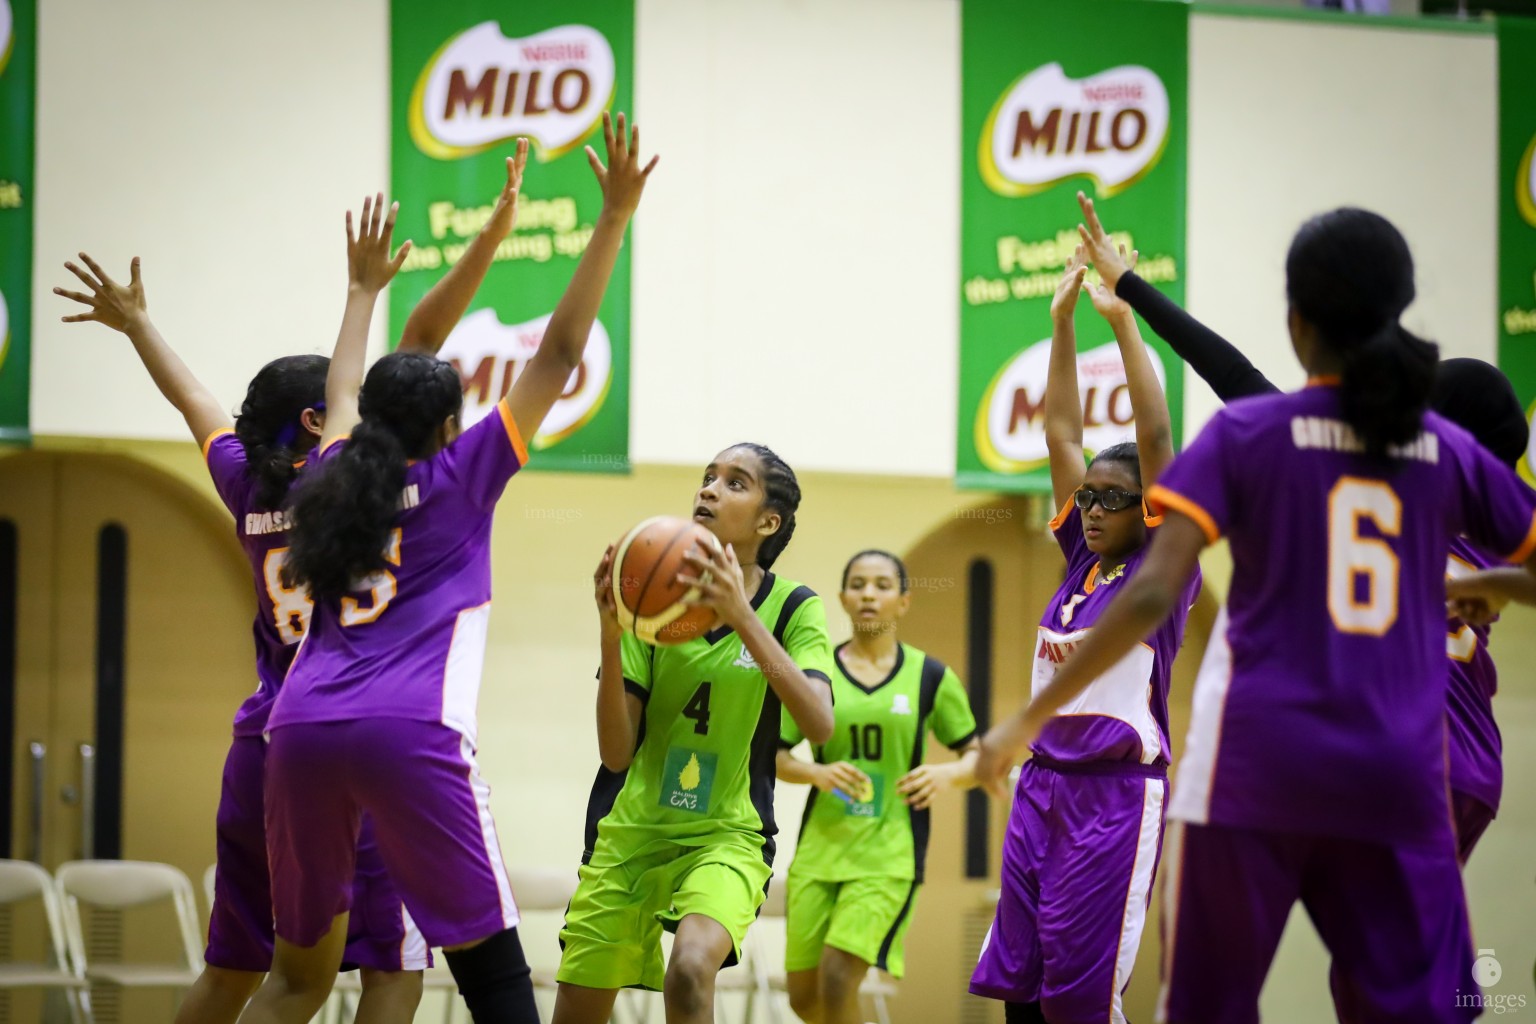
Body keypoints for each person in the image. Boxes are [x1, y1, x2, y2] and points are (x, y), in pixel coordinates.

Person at [984, 202, 1536, 1023]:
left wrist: (1015, 721)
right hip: (1399, 767)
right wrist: (1480, 588)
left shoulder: (1252, 433)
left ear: (1296, 320)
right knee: (1415, 1006)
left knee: (1206, 1004)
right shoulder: (1448, 455)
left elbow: (1151, 590)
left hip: (1254, 765)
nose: (1096, 506)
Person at [51, 151, 528, 1022]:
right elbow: (408, 358)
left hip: (267, 744)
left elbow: (194, 400)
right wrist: (476, 244)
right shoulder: (350, 481)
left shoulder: (247, 484)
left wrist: (140, 327)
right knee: (391, 971)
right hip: (359, 731)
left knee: (249, 971)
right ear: (322, 420)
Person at [237, 113, 654, 1024]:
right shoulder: (464, 475)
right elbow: (560, 353)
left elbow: (346, 383)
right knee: (495, 979)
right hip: (409, 731)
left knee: (296, 981)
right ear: (448, 429)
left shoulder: (332, 470)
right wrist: (614, 216)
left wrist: (359, 289)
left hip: (299, 732)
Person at [1092, 189, 1530, 866]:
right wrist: (1498, 582)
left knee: (1361, 960)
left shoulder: (1344, 468)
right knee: (1403, 964)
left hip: (1394, 751)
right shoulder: (1487, 503)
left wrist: (1129, 287)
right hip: (1473, 766)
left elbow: (1233, 372)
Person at [968, 242, 1201, 1024]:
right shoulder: (1079, 563)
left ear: (1150, 509)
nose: (1094, 509)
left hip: (1114, 800)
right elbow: (1062, 434)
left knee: (1080, 1002)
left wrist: (1123, 323)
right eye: (1089, 498)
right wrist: (1062, 324)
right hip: (1041, 788)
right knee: (1021, 994)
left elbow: (1156, 432)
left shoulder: (1164, 569)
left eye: (1114, 499)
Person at [554, 443, 836, 1024]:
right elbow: (615, 753)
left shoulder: (792, 609)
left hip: (727, 835)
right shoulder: (648, 604)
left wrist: (741, 616)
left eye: (735, 482)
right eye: (708, 477)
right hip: (630, 833)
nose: (709, 489)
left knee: (690, 968)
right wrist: (612, 632)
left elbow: (819, 723)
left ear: (768, 521)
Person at [777, 548, 980, 1024]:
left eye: (883, 585)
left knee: (838, 978)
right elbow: (775, 756)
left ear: (904, 601)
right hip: (819, 851)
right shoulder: (816, 674)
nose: (869, 594)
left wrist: (945, 773)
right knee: (804, 999)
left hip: (889, 854)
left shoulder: (930, 676)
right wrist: (816, 773)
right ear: (844, 598)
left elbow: (977, 757)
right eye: (859, 584)